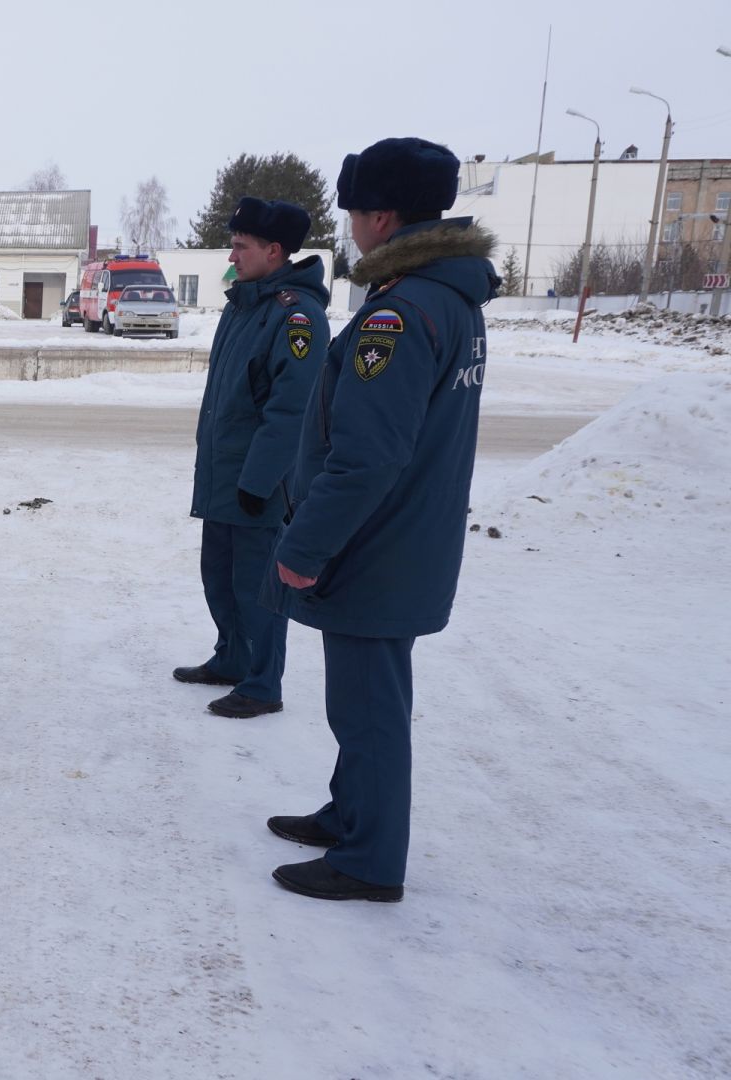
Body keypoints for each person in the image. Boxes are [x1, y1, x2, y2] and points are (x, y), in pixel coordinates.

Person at [263, 137, 498, 903]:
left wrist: (303, 547)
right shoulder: (446, 299)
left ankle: (368, 861)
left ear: (383, 215)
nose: (350, 227)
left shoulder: (398, 316)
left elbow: (366, 457)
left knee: (368, 709)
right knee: (362, 702)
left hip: (376, 547)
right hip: (404, 540)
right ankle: (351, 813)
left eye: (356, 212)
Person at [175, 197, 327, 718]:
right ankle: (233, 658)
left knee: (257, 587)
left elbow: (292, 411)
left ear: (275, 250)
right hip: (224, 474)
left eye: (241, 247)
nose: (232, 257)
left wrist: (259, 481)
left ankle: (263, 684)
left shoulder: (296, 317)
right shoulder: (244, 306)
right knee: (218, 576)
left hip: (257, 485)